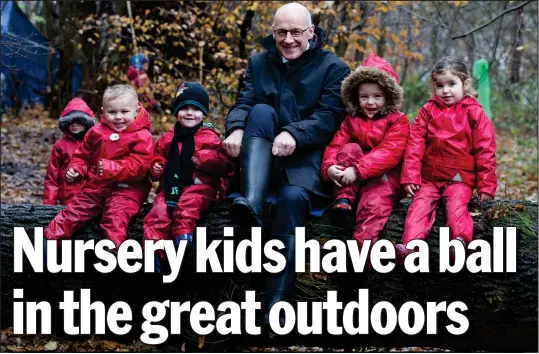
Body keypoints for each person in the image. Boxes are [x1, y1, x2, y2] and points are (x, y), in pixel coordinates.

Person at [223, 2, 350, 326]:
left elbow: (330, 117)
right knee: (261, 112)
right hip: (260, 156)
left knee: (293, 200)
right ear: (273, 32)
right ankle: (249, 204)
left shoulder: (334, 67)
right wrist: (236, 127)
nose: (289, 39)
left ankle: (275, 304)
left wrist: (295, 133)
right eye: (282, 32)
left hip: (305, 161)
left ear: (311, 32)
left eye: (296, 32)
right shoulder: (258, 62)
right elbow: (245, 103)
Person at [396, 56, 497, 262]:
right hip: (430, 178)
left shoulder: (474, 113)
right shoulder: (427, 111)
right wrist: (411, 177)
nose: (446, 90)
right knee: (419, 206)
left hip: (459, 178)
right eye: (440, 85)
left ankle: (459, 242)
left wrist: (486, 185)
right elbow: (415, 145)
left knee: (457, 206)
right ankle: (412, 245)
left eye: (452, 84)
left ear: (465, 84)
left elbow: (485, 149)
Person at [45, 84, 155, 250]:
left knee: (114, 218)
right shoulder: (96, 132)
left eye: (124, 112)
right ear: (103, 112)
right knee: (75, 209)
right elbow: (82, 155)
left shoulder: (142, 136)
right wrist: (77, 169)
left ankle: (115, 253)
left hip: (128, 189)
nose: (118, 117)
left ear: (136, 111)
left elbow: (141, 166)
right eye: (112, 112)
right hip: (99, 185)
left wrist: (112, 168)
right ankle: (50, 242)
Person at [143, 82, 234, 272]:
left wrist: (204, 158)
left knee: (187, 207)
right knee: (157, 212)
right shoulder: (169, 136)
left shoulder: (209, 137)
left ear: (204, 113)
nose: (190, 113)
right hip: (171, 187)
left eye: (196, 109)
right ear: (177, 111)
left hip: (200, 187)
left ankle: (182, 238)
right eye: (184, 108)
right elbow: (157, 156)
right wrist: (156, 167)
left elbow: (225, 165)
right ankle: (153, 252)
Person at [320, 52, 409, 248]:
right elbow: (335, 145)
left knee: (373, 204)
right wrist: (329, 167)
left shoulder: (397, 120)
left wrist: (358, 170)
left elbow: (389, 152)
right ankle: (344, 199)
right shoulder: (352, 119)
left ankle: (361, 251)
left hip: (386, 176)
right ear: (355, 97)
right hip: (353, 176)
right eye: (364, 97)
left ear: (388, 96)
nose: (370, 103)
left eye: (377, 96)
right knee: (349, 148)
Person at [43, 97, 95, 205]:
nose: (74, 125)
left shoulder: (94, 143)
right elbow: (52, 177)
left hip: (91, 198)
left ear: (86, 122)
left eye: (78, 121)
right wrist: (49, 204)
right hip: (67, 198)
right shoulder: (60, 145)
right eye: (70, 122)